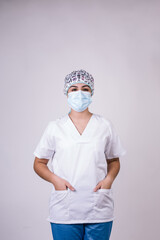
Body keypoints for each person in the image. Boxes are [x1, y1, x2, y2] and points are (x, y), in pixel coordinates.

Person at [33, 69, 127, 240]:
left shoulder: (104, 125)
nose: (80, 93)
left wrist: (108, 180)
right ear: (66, 93)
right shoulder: (55, 127)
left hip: (99, 205)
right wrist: (56, 181)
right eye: (74, 89)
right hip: (65, 206)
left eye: (85, 88)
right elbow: (39, 163)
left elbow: (114, 160)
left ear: (91, 92)